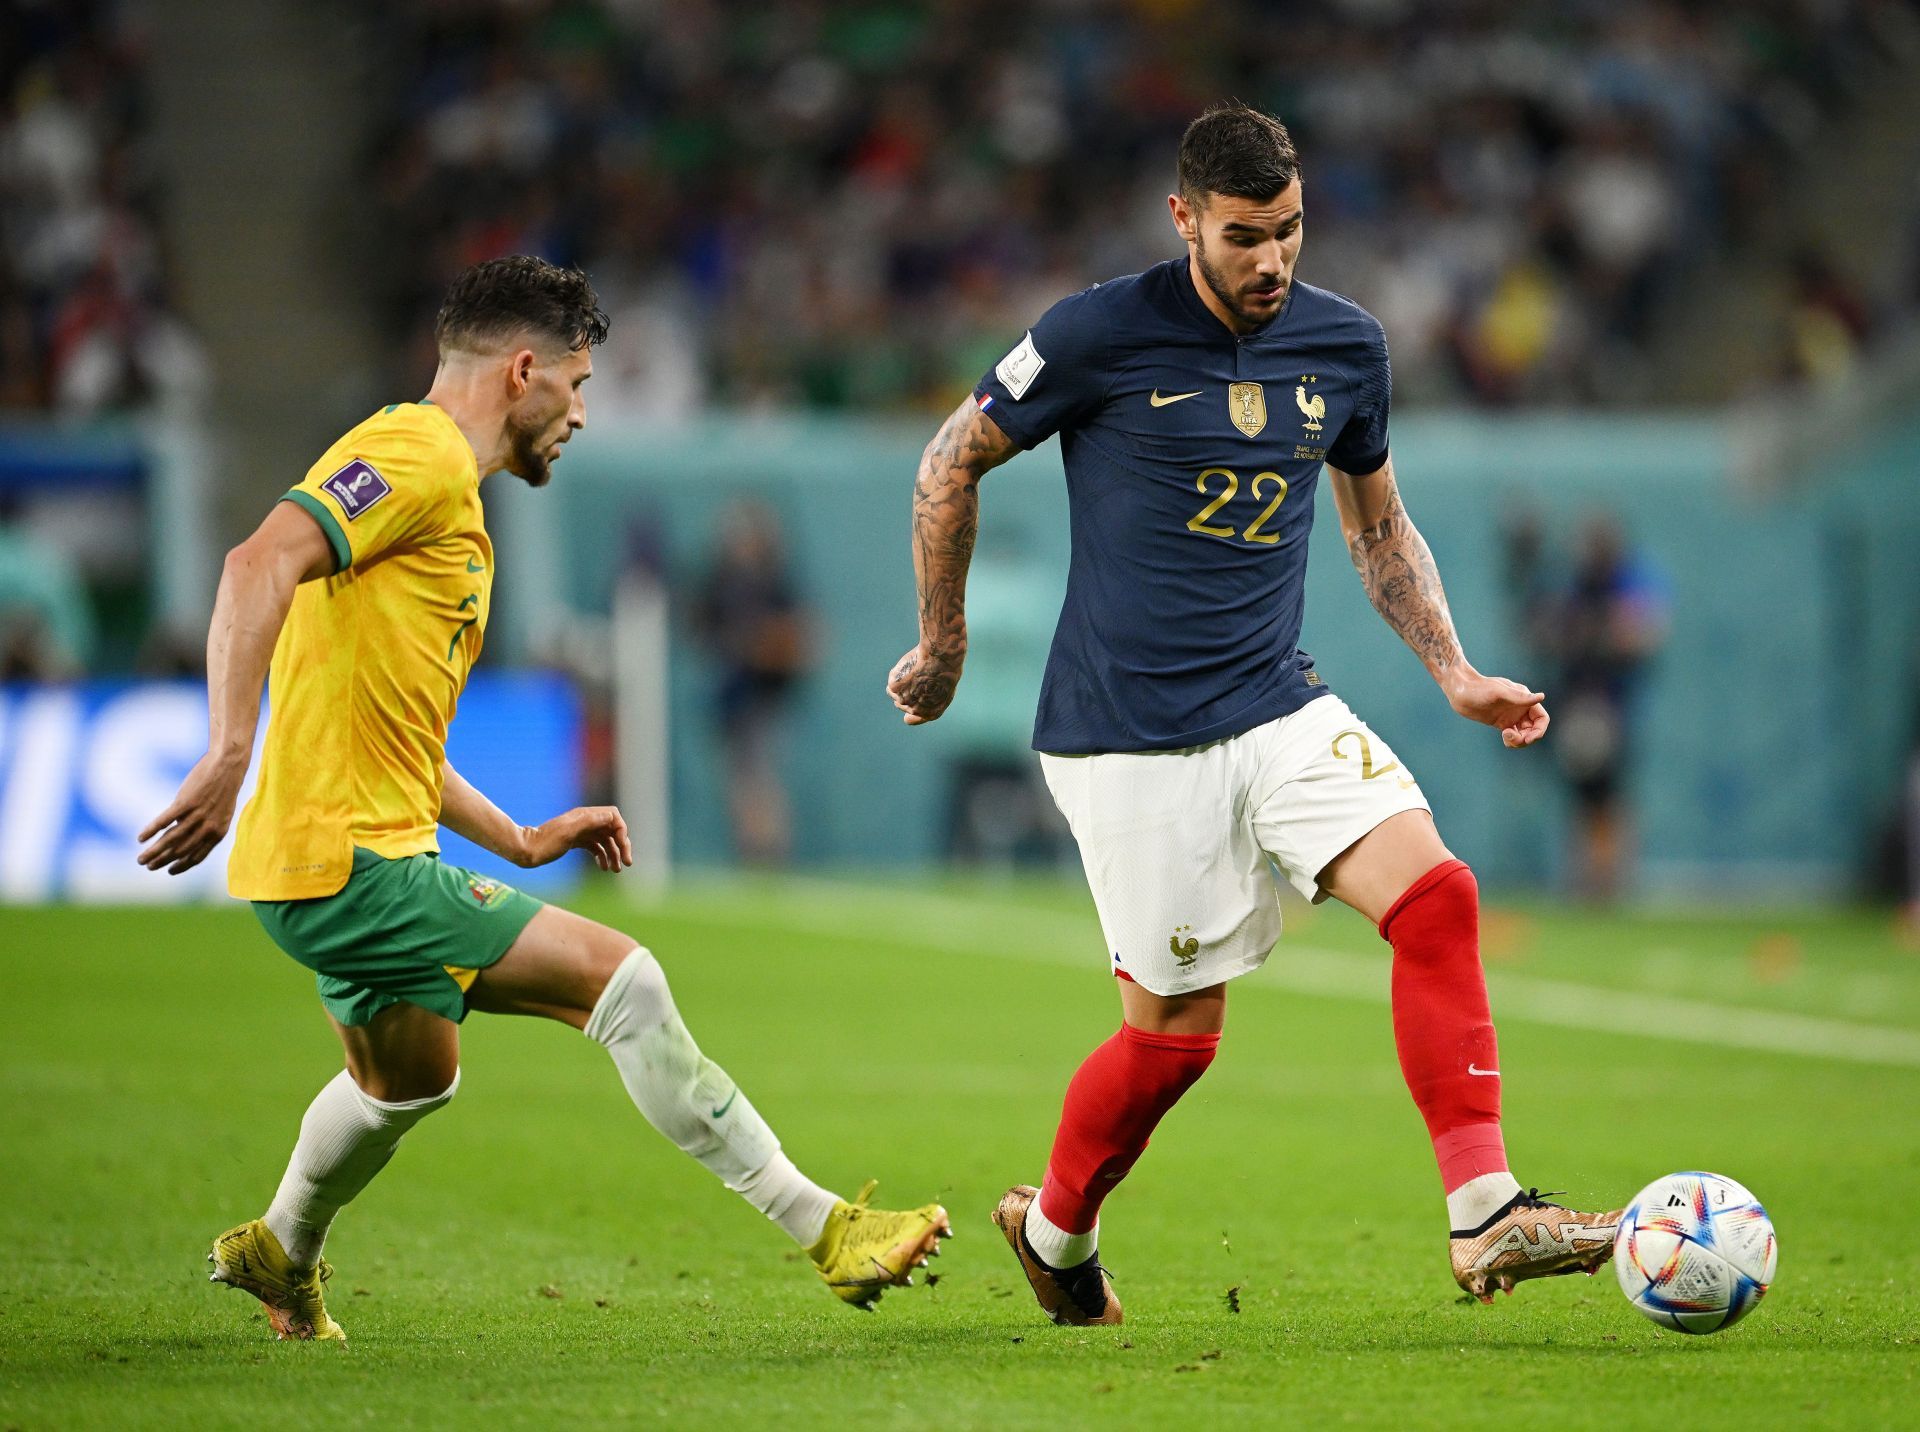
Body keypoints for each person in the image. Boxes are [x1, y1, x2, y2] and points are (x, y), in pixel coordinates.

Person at [886, 105, 1620, 1326]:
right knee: (1173, 1043)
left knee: (1439, 896)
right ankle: (1056, 1230)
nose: (1271, 261)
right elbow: (947, 461)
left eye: (1287, 232)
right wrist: (944, 644)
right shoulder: (1094, 334)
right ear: (1183, 220)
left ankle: (1484, 1210)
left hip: (1277, 698)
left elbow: (1377, 527)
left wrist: (1453, 670)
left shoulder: (1344, 346)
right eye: (1242, 238)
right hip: (1124, 732)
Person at [138, 257, 947, 1343]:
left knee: (409, 1083)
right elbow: (253, 563)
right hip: (349, 860)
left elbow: (394, 727)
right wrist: (229, 748)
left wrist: (517, 836)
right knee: (626, 983)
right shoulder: (415, 455)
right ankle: (827, 1231)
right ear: (525, 369)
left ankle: (282, 1250)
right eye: (580, 383)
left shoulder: (439, 498)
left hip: (324, 859)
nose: (579, 413)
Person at [692, 499, 816, 866]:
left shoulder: (774, 582)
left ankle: (767, 853)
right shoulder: (722, 581)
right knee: (741, 780)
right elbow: (702, 626)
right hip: (732, 696)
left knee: (760, 775)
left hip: (763, 695)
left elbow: (802, 635)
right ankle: (754, 852)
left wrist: (766, 647)